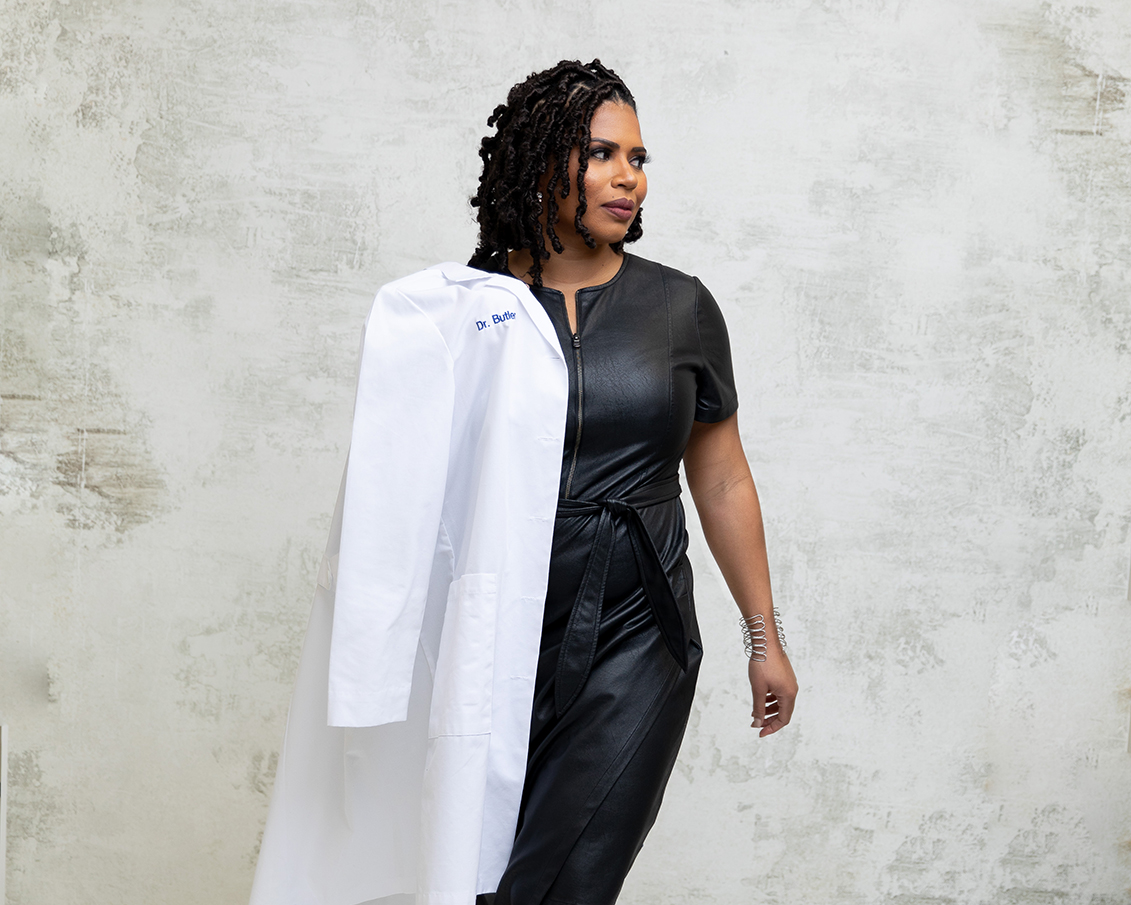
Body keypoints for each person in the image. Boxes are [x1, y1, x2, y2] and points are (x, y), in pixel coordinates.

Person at [249, 59, 796, 905]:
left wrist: (763, 637)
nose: (628, 177)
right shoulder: (461, 315)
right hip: (491, 630)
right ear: (541, 164)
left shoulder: (680, 308)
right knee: (470, 876)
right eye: (601, 154)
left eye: (638, 158)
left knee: (567, 878)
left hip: (637, 625)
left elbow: (719, 478)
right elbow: (400, 492)